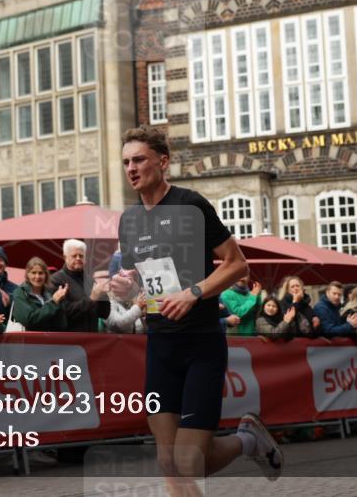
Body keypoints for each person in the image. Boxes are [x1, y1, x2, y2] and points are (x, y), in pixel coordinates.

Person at [111, 125, 283, 489]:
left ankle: (247, 440)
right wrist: (128, 287)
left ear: (163, 161)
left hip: (200, 343)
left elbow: (238, 265)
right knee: (166, 458)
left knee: (189, 461)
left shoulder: (190, 205)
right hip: (160, 345)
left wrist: (193, 292)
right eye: (126, 161)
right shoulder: (129, 220)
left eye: (139, 159)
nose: (131, 168)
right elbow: (143, 279)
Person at [49, 239, 110, 332]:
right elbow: (64, 313)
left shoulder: (90, 279)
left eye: (81, 256)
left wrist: (103, 296)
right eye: (74, 256)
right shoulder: (55, 280)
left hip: (93, 339)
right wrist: (91, 299)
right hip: (69, 339)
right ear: (65, 257)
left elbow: (104, 314)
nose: (78, 258)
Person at [9, 257, 69, 331]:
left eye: (41, 273)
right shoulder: (20, 293)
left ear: (46, 275)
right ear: (27, 274)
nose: (37, 276)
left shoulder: (50, 293)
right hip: (29, 341)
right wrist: (53, 303)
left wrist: (60, 302)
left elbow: (61, 325)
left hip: (50, 340)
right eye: (33, 273)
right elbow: (28, 320)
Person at [105, 269, 146, 334]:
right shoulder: (107, 300)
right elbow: (118, 324)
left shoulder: (134, 298)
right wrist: (138, 307)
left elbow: (145, 329)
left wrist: (144, 315)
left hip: (139, 342)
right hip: (118, 342)